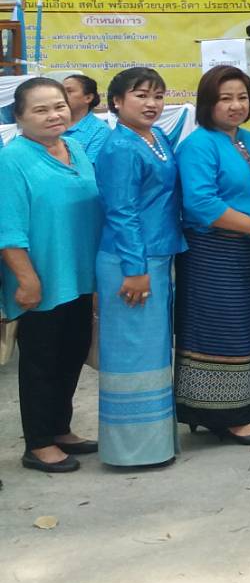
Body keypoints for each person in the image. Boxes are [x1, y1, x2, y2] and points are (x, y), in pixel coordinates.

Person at [0, 78, 103, 473]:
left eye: (58, 106)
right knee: (41, 362)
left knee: (71, 354)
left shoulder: (74, 147)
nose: (53, 115)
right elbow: (8, 229)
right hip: (41, 279)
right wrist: (26, 279)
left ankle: (60, 429)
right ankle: (38, 443)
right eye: (40, 110)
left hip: (80, 275)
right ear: (19, 116)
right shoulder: (13, 160)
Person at [174, 66, 250, 444]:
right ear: (208, 103)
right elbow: (200, 203)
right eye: (225, 98)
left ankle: (223, 413)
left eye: (242, 97)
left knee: (244, 330)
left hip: (247, 250)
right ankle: (231, 418)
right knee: (221, 332)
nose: (236, 105)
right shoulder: (198, 144)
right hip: (212, 252)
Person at [94, 66, 184, 467]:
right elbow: (122, 211)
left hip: (157, 256)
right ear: (116, 101)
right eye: (141, 96)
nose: (152, 104)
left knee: (153, 351)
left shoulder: (157, 137)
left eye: (158, 96)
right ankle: (131, 451)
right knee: (133, 353)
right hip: (130, 261)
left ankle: (156, 442)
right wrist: (134, 268)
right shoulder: (120, 148)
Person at [61, 73, 109, 161]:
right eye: (61, 91)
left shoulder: (100, 130)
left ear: (88, 98)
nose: (62, 96)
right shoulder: (53, 123)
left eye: (69, 91)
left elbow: (89, 169)